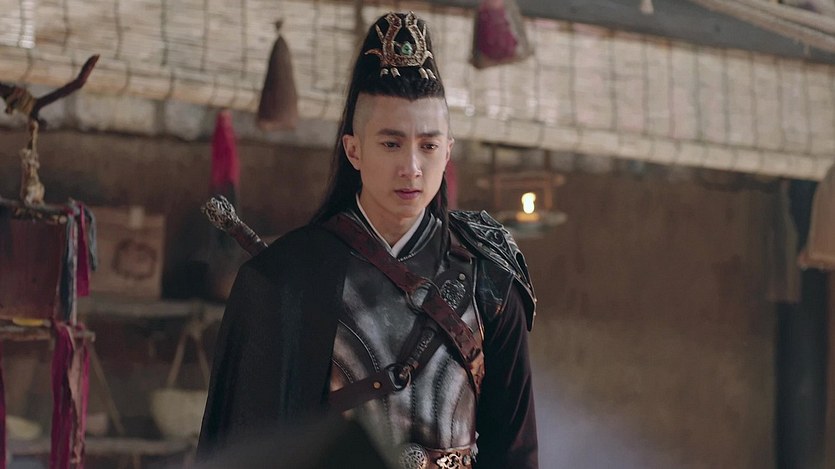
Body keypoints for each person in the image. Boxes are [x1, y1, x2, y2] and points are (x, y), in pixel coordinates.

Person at [197, 11, 538, 469]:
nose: (411, 168)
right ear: (353, 150)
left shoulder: (489, 273)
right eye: (391, 144)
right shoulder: (286, 276)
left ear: (448, 151)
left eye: (428, 145)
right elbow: (244, 449)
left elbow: (515, 452)